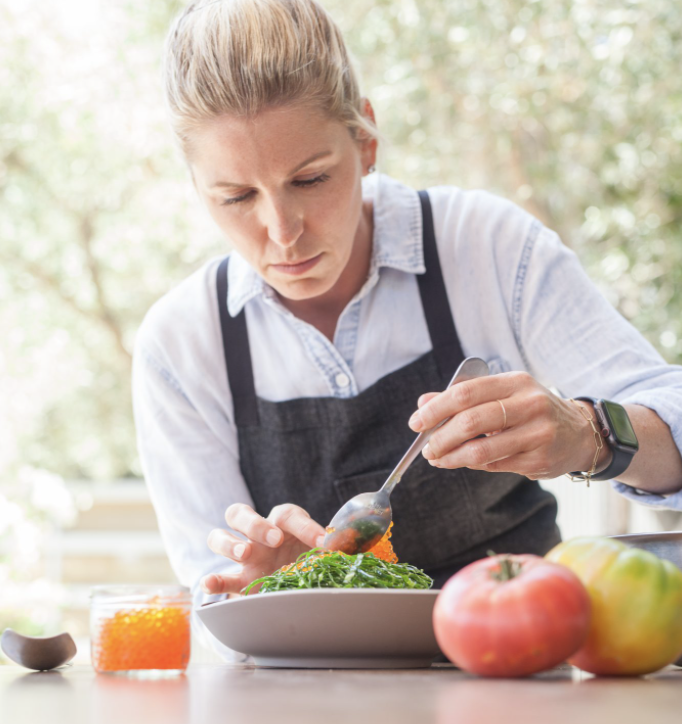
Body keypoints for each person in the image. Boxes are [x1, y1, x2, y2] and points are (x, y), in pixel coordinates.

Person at [133, 0, 682, 657]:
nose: (282, 232)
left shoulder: (483, 246)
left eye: (310, 179)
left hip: (517, 673)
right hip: (311, 695)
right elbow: (213, 595)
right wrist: (256, 591)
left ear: (366, 141)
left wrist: (591, 434)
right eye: (237, 197)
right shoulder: (182, 342)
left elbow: (669, 415)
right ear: (197, 187)